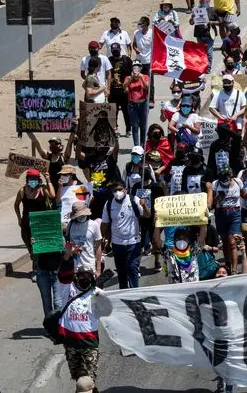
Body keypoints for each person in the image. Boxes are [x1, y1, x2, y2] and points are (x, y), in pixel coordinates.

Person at [57, 241, 104, 390]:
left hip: (89, 343)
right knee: (78, 378)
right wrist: (67, 254)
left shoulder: (97, 293)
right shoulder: (67, 289)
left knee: (90, 379)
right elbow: (63, 273)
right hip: (71, 342)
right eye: (81, 275)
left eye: (88, 275)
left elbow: (112, 309)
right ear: (75, 277)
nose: (84, 277)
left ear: (92, 278)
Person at [101, 180, 150, 289]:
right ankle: (123, 293)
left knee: (132, 269)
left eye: (119, 189)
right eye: (115, 190)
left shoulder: (134, 200)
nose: (117, 192)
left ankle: (134, 294)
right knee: (121, 272)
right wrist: (101, 239)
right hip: (117, 244)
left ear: (125, 190)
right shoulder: (108, 204)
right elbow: (105, 224)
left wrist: (144, 205)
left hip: (133, 242)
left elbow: (147, 215)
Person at [14, 167, 57, 274]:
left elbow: (53, 195)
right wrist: (19, 219)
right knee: (28, 243)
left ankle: (36, 269)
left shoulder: (42, 189)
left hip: (40, 223)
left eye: (35, 179)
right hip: (26, 222)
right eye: (31, 178)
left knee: (37, 246)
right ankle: (35, 260)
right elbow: (16, 205)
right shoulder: (22, 191)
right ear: (27, 179)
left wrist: (48, 180)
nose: (33, 181)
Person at [208, 164, 245, 275]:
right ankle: (228, 264)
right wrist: (219, 197)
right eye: (223, 178)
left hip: (235, 214)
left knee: (232, 242)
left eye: (227, 177)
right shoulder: (216, 184)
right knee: (225, 242)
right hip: (221, 213)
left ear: (231, 176)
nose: (225, 180)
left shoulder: (238, 182)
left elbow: (244, 195)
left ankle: (234, 270)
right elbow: (212, 203)